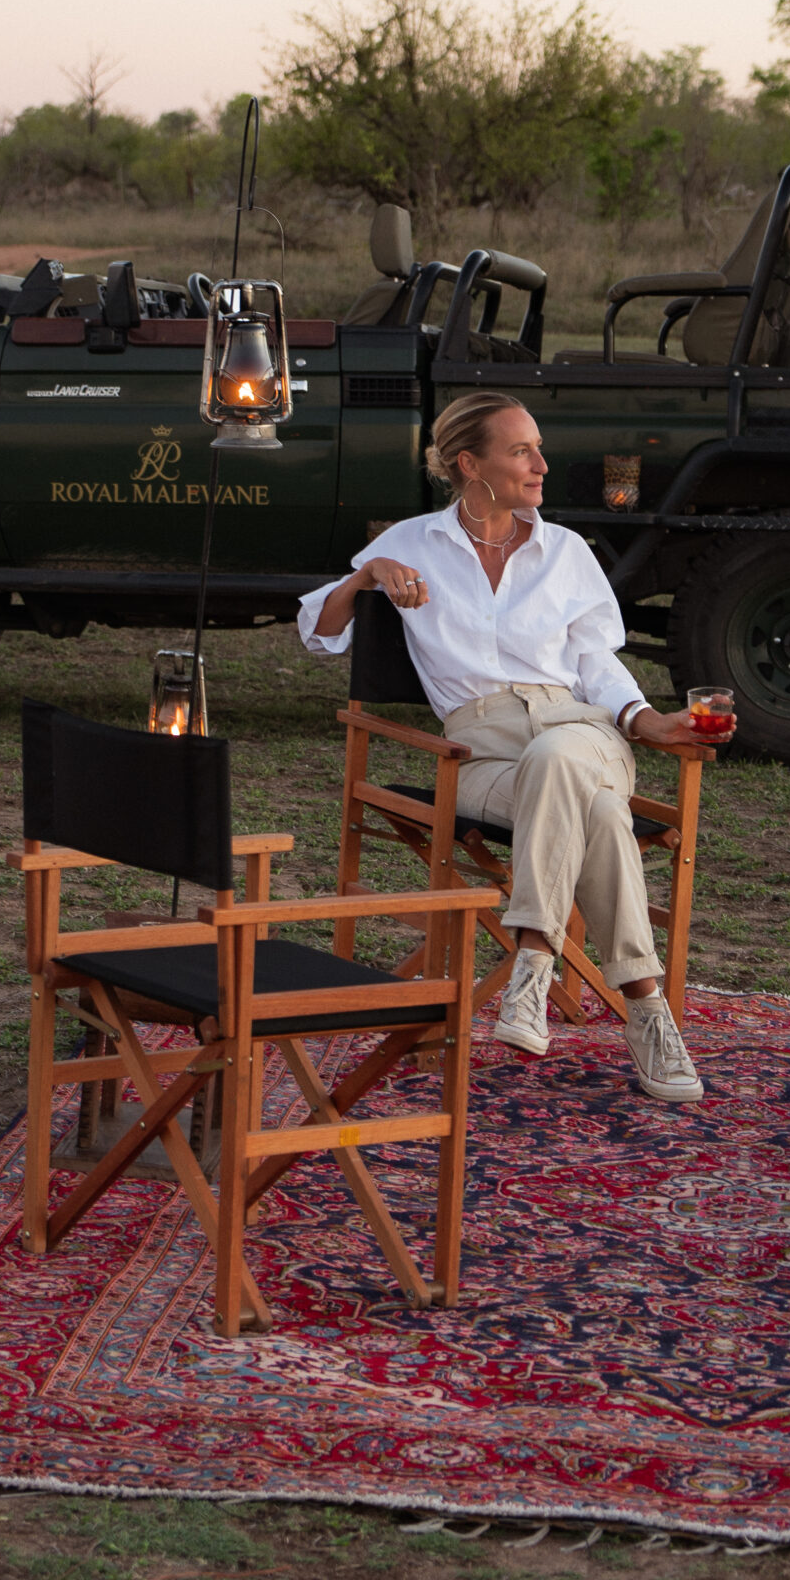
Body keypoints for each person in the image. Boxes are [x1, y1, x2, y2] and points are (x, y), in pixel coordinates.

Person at [297, 390, 728, 1102]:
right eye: (521, 450)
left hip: (578, 729)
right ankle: (648, 1011)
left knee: (561, 759)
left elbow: (597, 664)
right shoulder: (408, 542)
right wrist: (368, 574)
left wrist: (646, 721)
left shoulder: (566, 553)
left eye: (537, 448)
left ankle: (532, 961)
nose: (541, 464)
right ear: (471, 463)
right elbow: (319, 631)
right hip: (475, 752)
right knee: (596, 813)